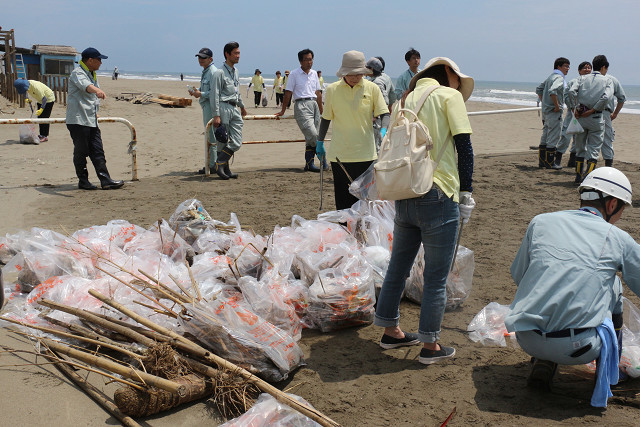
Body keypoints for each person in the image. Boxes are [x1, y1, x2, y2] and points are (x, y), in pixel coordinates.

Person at [505, 167, 638, 406]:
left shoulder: (540, 222)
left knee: (554, 287)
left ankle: (543, 362)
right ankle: (608, 374)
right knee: (614, 285)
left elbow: (519, 276)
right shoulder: (617, 237)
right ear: (612, 205)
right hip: (580, 347)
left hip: (527, 338)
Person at [373, 57, 475, 365]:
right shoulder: (449, 96)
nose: (459, 85)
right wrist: (466, 192)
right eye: (458, 78)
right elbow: (464, 148)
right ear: (447, 73)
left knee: (398, 266)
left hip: (405, 191)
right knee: (435, 276)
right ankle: (430, 346)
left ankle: (390, 330)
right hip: (438, 191)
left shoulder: (402, 101)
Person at [316, 50, 389, 209]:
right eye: (352, 74)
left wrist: (384, 130)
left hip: (366, 154)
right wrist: (319, 141)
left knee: (366, 202)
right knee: (343, 202)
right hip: (340, 156)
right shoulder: (333, 90)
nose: (356, 77)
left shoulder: (372, 88)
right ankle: (344, 232)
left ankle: (363, 233)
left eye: (360, 74)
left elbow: (384, 113)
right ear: (344, 73)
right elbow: (326, 118)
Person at [66, 47, 124, 190]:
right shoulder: (77, 73)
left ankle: (105, 180)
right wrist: (98, 90)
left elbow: (91, 96)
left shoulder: (91, 74)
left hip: (91, 119)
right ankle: (83, 181)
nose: (101, 63)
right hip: (78, 120)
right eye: (99, 60)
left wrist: (95, 111)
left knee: (97, 150)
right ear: (90, 60)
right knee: (81, 151)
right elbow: (86, 87)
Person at [275, 49, 324, 172]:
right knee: (312, 134)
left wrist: (321, 109)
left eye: (311, 59)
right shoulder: (294, 74)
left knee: (314, 135)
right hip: (301, 105)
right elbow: (288, 93)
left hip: (314, 105)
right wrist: (283, 110)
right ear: (300, 61)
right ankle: (322, 158)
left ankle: (309, 164)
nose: (309, 62)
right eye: (306, 59)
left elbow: (318, 93)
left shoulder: (314, 74)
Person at [567, 54, 613, 183]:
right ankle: (588, 176)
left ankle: (577, 176)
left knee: (580, 147)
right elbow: (606, 97)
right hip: (596, 117)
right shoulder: (607, 80)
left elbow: (571, 91)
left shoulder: (582, 78)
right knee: (593, 149)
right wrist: (594, 109)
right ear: (604, 67)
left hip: (580, 116)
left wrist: (574, 108)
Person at [211, 41, 247, 180]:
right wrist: (216, 115)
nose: (238, 56)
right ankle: (224, 168)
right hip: (223, 106)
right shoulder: (219, 73)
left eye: (239, 53)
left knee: (237, 141)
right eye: (235, 53)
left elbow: (237, 91)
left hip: (234, 107)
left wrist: (242, 106)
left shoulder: (236, 72)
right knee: (222, 140)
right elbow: (214, 94)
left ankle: (219, 163)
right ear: (227, 54)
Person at [535, 57, 570, 169]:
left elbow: (539, 89)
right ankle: (550, 162)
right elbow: (553, 91)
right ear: (559, 66)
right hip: (554, 112)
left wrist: (544, 102)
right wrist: (556, 105)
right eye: (566, 66)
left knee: (545, 135)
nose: (568, 69)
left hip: (546, 111)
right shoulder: (559, 78)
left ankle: (542, 162)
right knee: (554, 136)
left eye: (568, 66)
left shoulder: (550, 77)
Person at [189, 47, 218, 174]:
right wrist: (196, 91)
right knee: (209, 134)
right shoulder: (206, 71)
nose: (200, 60)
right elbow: (205, 88)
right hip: (206, 106)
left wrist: (201, 94)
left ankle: (213, 165)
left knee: (211, 135)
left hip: (211, 107)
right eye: (199, 57)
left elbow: (214, 92)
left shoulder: (213, 72)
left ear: (210, 59)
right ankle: (212, 163)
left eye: (203, 57)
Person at [558, 61, 592, 168]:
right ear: (579, 70)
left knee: (580, 139)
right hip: (572, 113)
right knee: (566, 136)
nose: (587, 70)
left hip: (585, 115)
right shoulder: (573, 81)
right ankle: (557, 159)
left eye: (589, 68)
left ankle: (572, 161)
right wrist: (573, 108)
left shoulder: (593, 83)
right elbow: (567, 95)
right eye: (584, 68)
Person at [366, 57, 397, 150]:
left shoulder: (376, 82)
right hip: (383, 115)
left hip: (377, 119)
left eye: (367, 67)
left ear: (372, 69)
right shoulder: (386, 77)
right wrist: (390, 107)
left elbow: (384, 100)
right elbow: (392, 94)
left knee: (376, 146)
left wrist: (376, 115)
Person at [13, 78, 55, 142]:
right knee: (40, 117)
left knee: (45, 117)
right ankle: (41, 134)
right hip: (40, 100)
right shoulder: (27, 85)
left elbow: (44, 99)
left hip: (48, 99)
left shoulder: (36, 87)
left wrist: (41, 109)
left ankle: (45, 136)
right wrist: (26, 98)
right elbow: (25, 91)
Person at [601, 68, 626, 167]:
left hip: (588, 113)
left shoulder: (587, 79)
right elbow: (622, 98)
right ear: (604, 67)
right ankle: (608, 166)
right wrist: (615, 113)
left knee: (589, 140)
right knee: (607, 139)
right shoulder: (611, 79)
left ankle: (584, 170)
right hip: (605, 113)